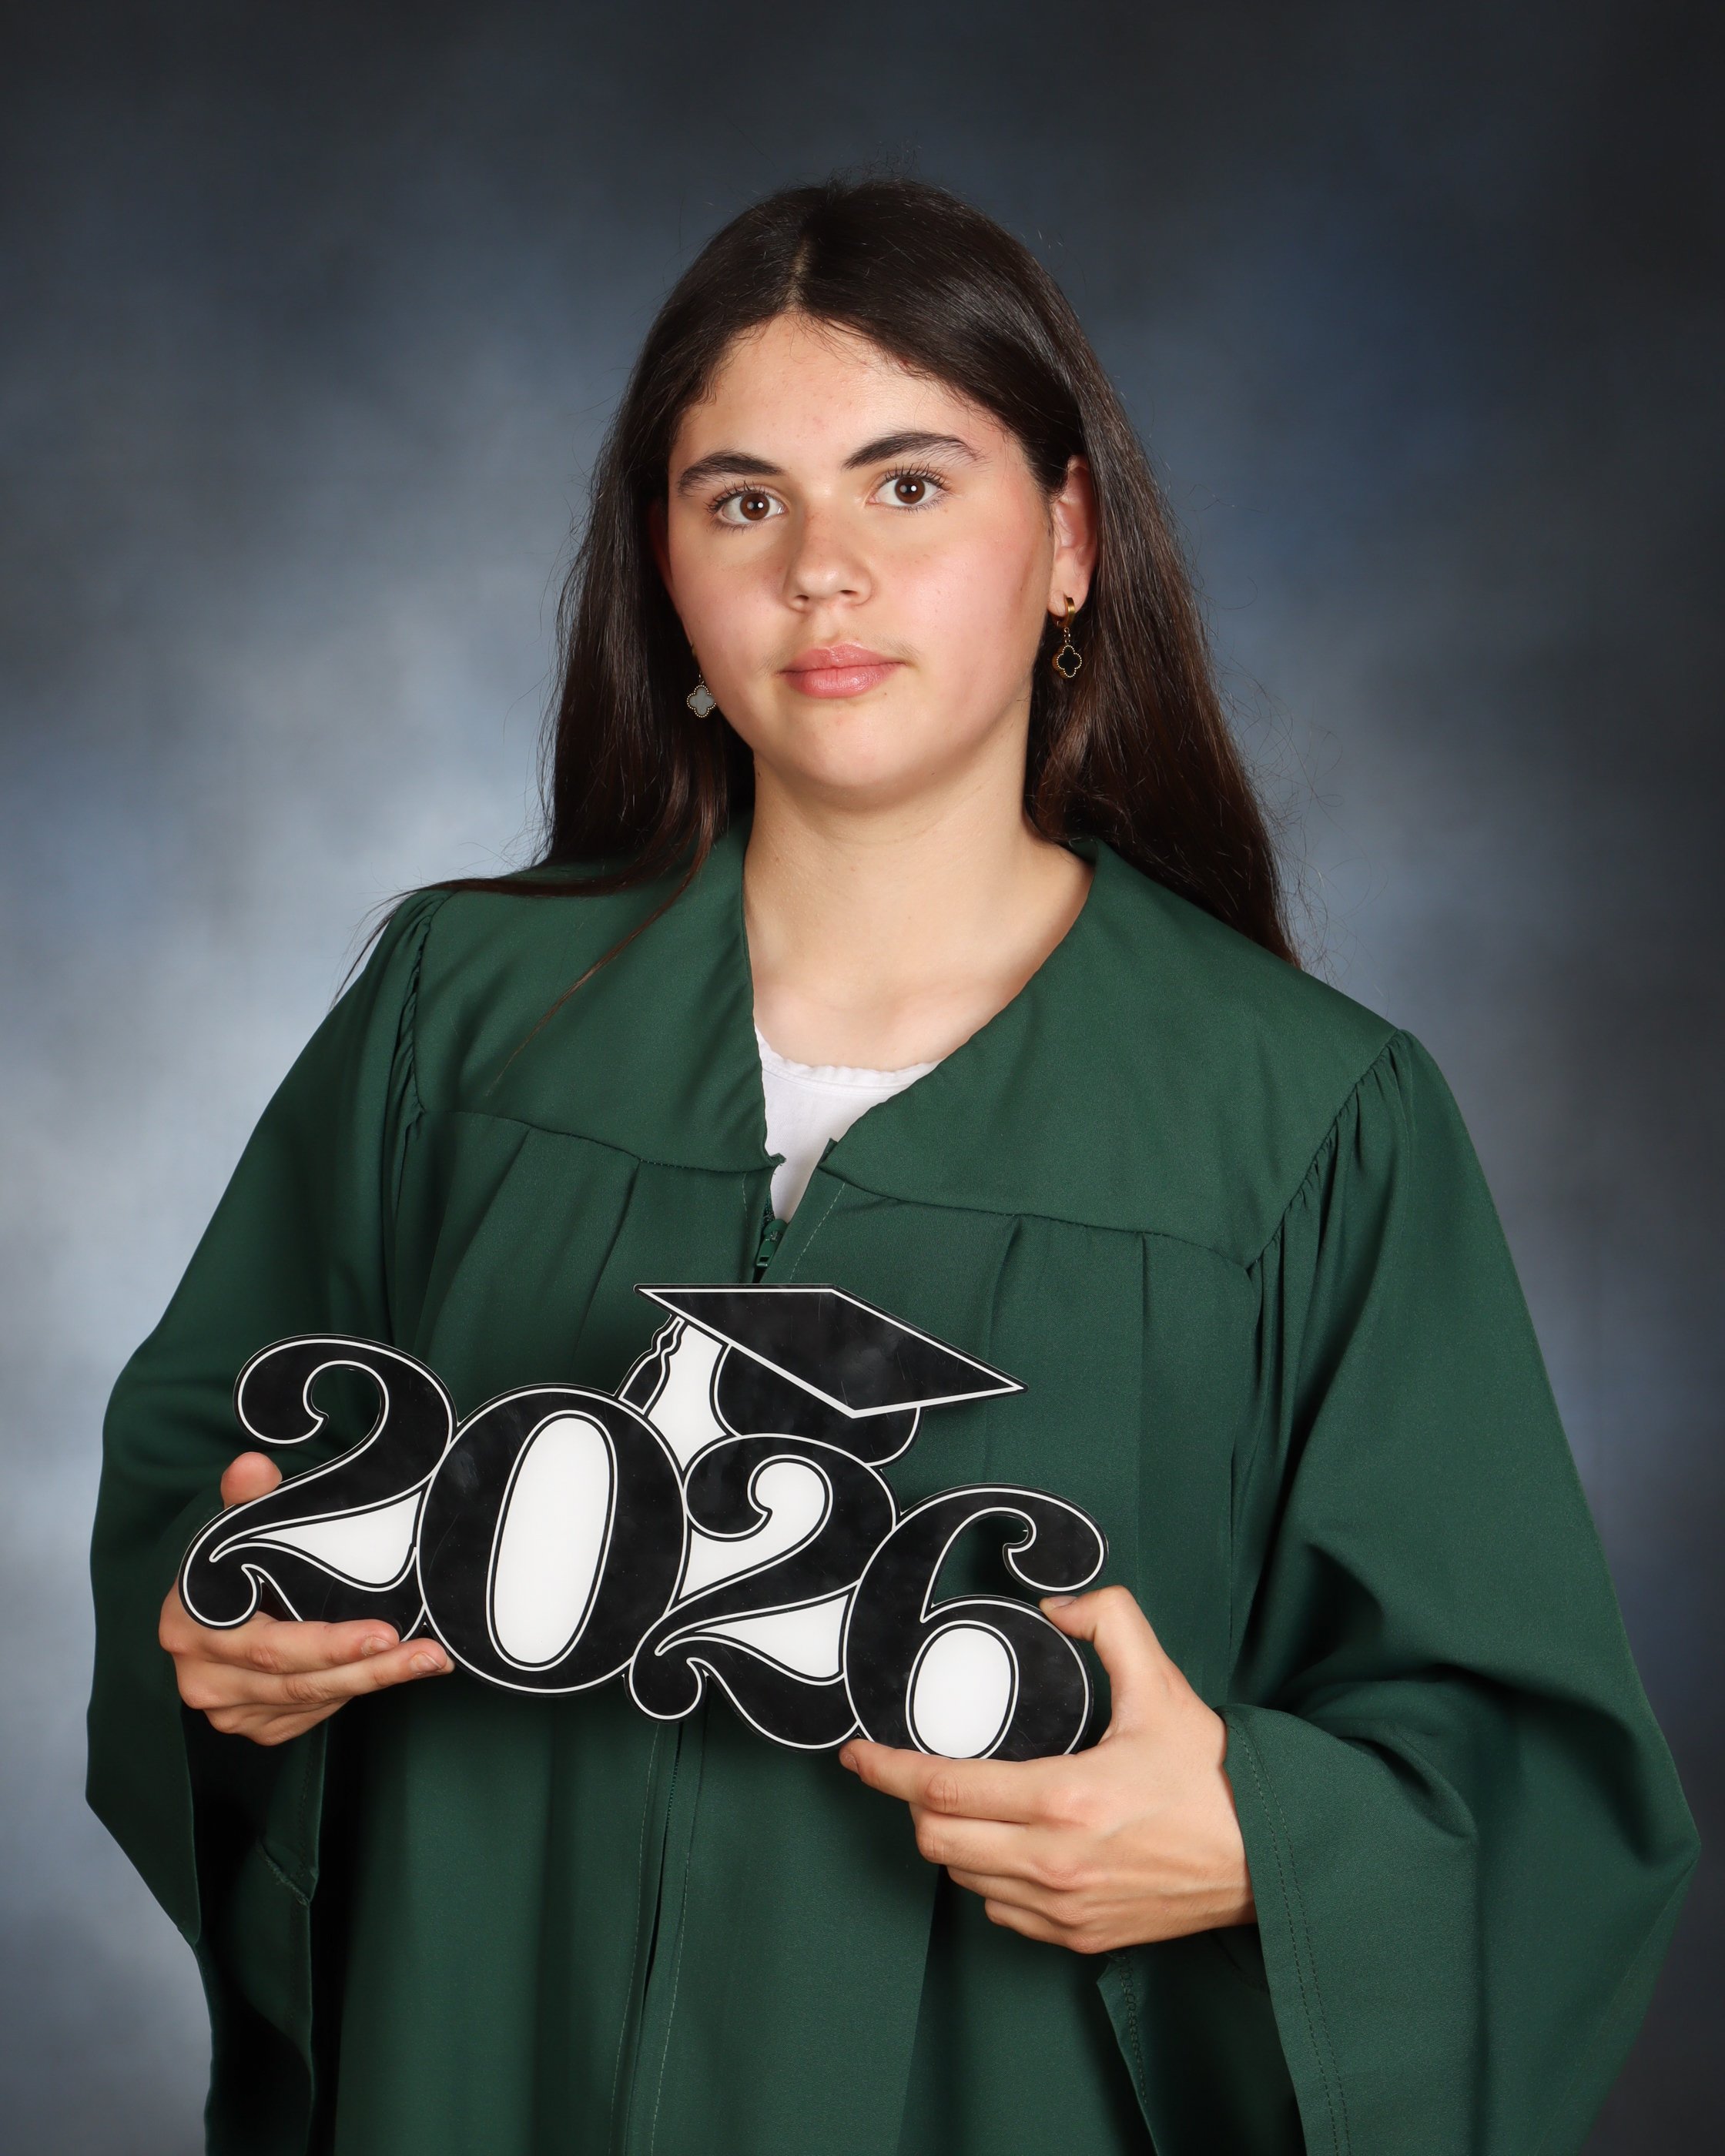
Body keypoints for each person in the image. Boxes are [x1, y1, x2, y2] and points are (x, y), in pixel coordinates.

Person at [89, 176, 1697, 2156]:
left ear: (1069, 540)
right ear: (665, 565)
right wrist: (215, 1631)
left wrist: (1257, 1839)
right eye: (740, 500)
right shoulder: (463, 1022)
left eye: (908, 485)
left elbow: (1528, 1784)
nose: (820, 574)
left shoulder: (1302, 1119)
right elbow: (198, 1481)